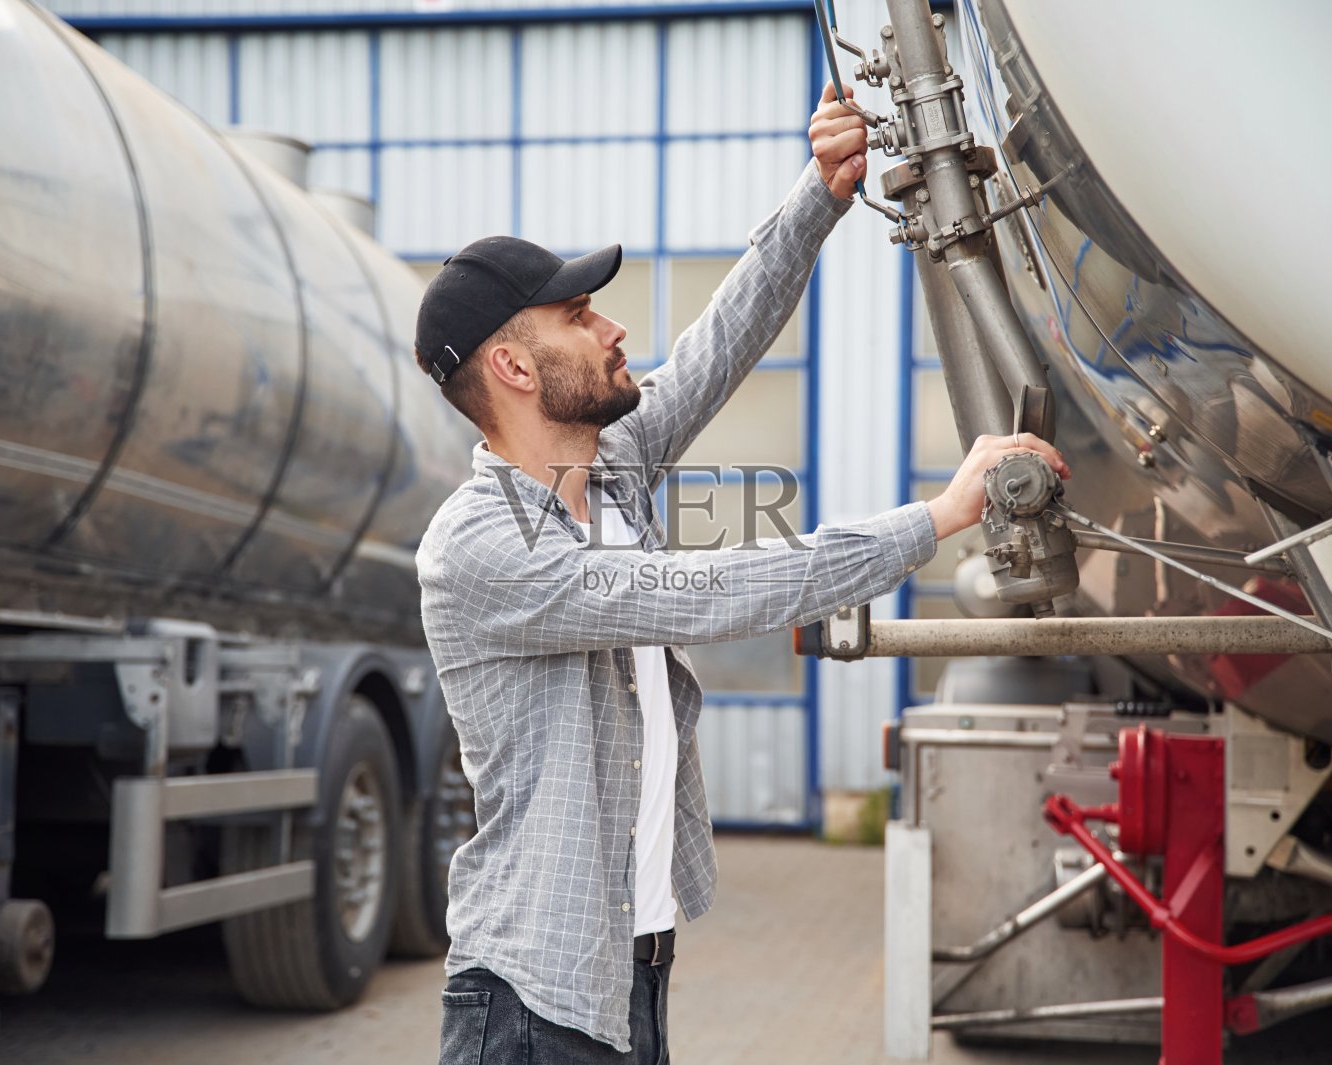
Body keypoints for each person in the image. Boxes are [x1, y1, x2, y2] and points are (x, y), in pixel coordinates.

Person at [413, 83, 1069, 1064]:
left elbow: (720, 345)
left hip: (627, 969)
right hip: (532, 997)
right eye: (580, 315)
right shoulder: (480, 546)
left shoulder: (611, 468)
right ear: (511, 367)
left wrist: (820, 194)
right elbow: (701, 595)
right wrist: (937, 516)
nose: (613, 330)